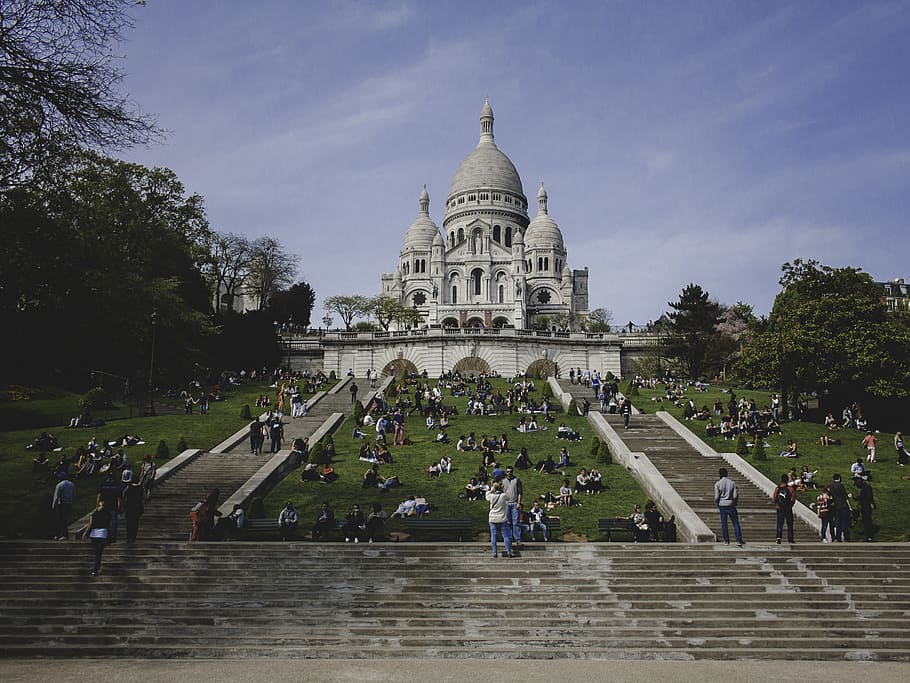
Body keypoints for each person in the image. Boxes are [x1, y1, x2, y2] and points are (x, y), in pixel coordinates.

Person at [714, 467, 744, 547]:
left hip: (722, 505)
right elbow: (735, 496)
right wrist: (735, 502)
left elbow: (716, 497)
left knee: (724, 523)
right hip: (731, 504)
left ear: (720, 474)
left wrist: (717, 503)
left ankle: (726, 540)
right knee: (735, 522)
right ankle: (738, 540)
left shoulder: (718, 484)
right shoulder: (732, 483)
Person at [83, 500, 112, 576]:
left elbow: (90, 524)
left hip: (94, 534)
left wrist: (85, 533)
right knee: (99, 553)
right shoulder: (108, 514)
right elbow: (108, 526)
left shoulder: (94, 514)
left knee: (96, 553)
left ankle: (96, 568)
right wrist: (110, 535)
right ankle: (95, 568)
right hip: (102, 534)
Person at [486, 482, 513, 558]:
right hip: (502, 518)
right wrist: (503, 489)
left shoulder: (491, 496)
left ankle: (495, 553)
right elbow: (509, 497)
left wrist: (491, 490)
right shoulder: (503, 496)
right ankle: (508, 552)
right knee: (505, 536)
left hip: (493, 518)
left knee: (493, 536)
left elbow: (486, 495)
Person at [51, 472, 75, 540]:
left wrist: (53, 506)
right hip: (69, 503)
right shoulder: (72, 484)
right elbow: (73, 494)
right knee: (65, 519)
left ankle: (59, 534)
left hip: (61, 504)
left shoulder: (59, 485)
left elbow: (56, 496)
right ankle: (62, 534)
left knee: (59, 519)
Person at [772, 473, 795, 544]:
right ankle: (790, 538)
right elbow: (793, 499)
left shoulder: (778, 488)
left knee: (780, 523)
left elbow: (774, 497)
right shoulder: (790, 488)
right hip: (788, 508)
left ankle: (779, 537)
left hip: (780, 508)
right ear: (787, 480)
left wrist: (777, 505)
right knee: (790, 524)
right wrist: (790, 505)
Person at [502, 466, 523, 543]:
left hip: (514, 503)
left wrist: (519, 503)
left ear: (512, 472)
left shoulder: (517, 480)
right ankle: (509, 537)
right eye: (507, 471)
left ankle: (517, 538)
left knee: (516, 521)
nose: (509, 473)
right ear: (506, 472)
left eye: (510, 471)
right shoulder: (503, 481)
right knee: (507, 522)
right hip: (506, 503)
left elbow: (520, 492)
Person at [829, 474, 850, 542]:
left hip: (836, 506)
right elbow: (845, 496)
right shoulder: (840, 485)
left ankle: (838, 537)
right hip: (843, 505)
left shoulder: (831, 486)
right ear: (839, 478)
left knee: (838, 522)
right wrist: (850, 506)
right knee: (844, 522)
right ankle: (846, 537)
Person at [122, 476, 144, 542]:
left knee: (129, 522)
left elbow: (124, 496)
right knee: (135, 522)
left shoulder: (128, 488)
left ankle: (129, 536)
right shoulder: (141, 488)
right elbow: (141, 498)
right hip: (137, 507)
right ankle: (133, 536)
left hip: (129, 507)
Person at [855, 477, 875, 541]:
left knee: (867, 521)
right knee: (867, 521)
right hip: (866, 506)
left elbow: (865, 497)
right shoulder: (867, 487)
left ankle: (869, 536)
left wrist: (857, 498)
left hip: (866, 507)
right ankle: (868, 535)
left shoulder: (865, 488)